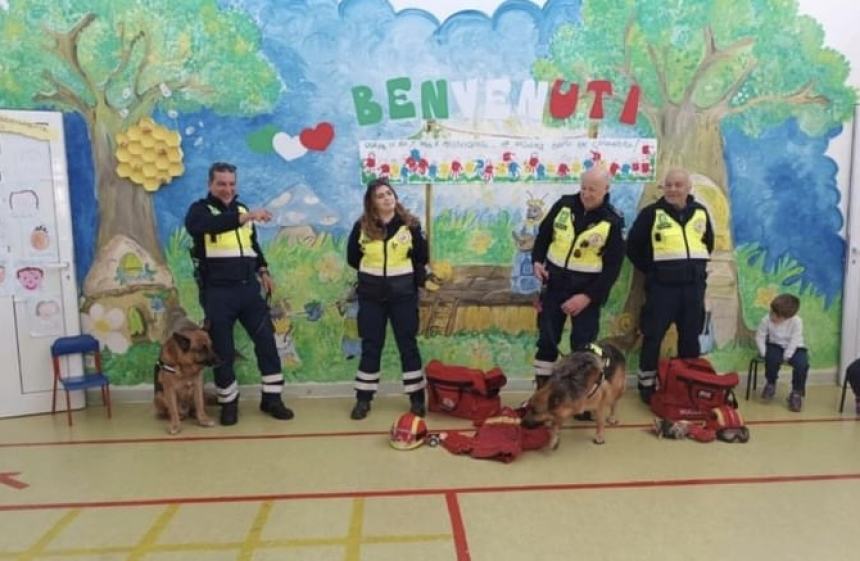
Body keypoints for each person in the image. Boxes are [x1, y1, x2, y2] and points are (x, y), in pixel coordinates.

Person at [184, 162, 294, 426]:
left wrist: (264, 271)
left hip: (248, 290)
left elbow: (252, 246)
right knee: (222, 350)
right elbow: (209, 226)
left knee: (267, 342)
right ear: (210, 184)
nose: (228, 189)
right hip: (218, 292)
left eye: (232, 184)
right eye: (222, 184)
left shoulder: (244, 211)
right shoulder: (199, 211)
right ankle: (228, 404)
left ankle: (272, 399)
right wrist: (245, 217)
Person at [530, 167, 625, 388]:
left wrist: (587, 297)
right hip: (554, 286)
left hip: (587, 292)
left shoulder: (612, 220)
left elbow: (612, 269)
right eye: (583, 187)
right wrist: (537, 261)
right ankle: (543, 394)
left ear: (606, 189)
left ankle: (579, 398)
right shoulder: (564, 205)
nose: (586, 193)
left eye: (593, 189)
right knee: (546, 342)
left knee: (583, 348)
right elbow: (543, 236)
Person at [627, 168, 714, 404]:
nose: (673, 189)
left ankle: (689, 382)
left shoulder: (701, 213)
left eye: (678, 185)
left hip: (693, 289)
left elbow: (708, 244)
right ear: (663, 188)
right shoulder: (651, 214)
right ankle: (646, 385)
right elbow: (633, 247)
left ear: (688, 188)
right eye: (669, 185)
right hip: (662, 289)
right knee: (653, 336)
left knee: (690, 338)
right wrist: (653, 270)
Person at [346, 178, 428, 420]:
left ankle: (416, 399)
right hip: (371, 297)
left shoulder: (410, 226)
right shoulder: (361, 227)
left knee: (408, 345)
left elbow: (421, 256)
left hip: (403, 296)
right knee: (371, 347)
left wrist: (414, 282)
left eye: (389, 193)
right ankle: (363, 399)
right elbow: (353, 258)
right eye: (380, 195)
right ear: (372, 203)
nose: (387, 198)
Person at [755, 293, 809, 412]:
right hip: (775, 345)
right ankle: (771, 383)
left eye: (776, 316)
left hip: (796, 347)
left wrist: (787, 356)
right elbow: (760, 336)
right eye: (771, 312)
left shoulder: (797, 322)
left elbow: (795, 339)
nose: (772, 316)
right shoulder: (766, 320)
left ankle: (796, 393)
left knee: (802, 364)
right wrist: (764, 353)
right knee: (772, 358)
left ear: (786, 317)